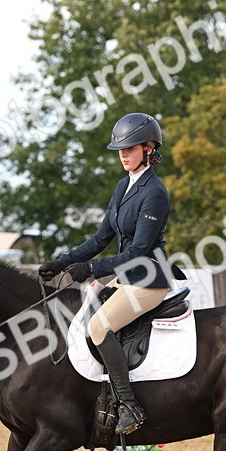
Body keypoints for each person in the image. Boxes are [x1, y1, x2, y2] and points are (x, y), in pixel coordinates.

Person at [39, 112, 183, 434]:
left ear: (147, 148)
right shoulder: (123, 187)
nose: (122, 154)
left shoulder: (155, 193)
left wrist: (91, 268)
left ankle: (130, 405)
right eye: (119, 149)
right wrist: (62, 261)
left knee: (99, 327)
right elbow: (101, 238)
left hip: (148, 278)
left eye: (129, 148)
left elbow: (137, 252)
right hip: (126, 276)